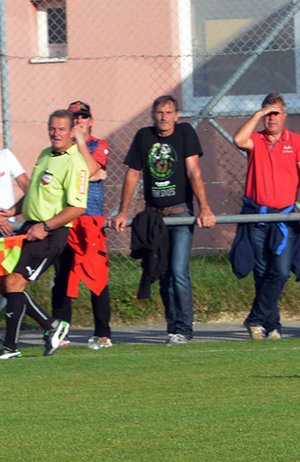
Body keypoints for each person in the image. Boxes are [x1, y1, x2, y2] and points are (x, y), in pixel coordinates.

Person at [111, 95, 216, 344]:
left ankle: (184, 328)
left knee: (179, 271)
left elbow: (194, 171)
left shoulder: (185, 133)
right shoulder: (143, 137)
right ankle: (173, 328)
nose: (164, 117)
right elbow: (132, 174)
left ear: (176, 115)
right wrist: (123, 211)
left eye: (169, 113)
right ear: (153, 116)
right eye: (159, 113)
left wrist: (205, 208)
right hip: (155, 217)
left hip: (180, 213)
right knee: (164, 271)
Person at [232, 93, 300, 341]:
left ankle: (255, 317)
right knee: (261, 273)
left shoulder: (296, 142)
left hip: (283, 218)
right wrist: (257, 114)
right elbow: (238, 139)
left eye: (276, 113)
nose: (272, 118)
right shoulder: (255, 139)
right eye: (268, 113)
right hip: (256, 218)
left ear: (285, 116)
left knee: (281, 271)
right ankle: (271, 326)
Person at [0, 110, 87, 360]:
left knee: (14, 282)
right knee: (5, 281)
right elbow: (35, 193)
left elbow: (77, 207)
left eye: (61, 129)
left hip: (51, 234)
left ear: (72, 132)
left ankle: (10, 347)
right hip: (30, 228)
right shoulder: (45, 154)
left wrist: (46, 226)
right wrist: (12, 211)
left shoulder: (75, 163)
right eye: (52, 128)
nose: (55, 133)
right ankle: (52, 327)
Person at [51, 100, 114, 349]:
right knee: (63, 275)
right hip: (66, 218)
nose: (79, 121)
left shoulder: (98, 145)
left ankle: (103, 332)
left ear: (90, 120)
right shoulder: (59, 149)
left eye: (83, 117)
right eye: (74, 117)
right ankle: (61, 330)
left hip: (89, 220)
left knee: (96, 276)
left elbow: (91, 169)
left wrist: (79, 144)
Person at [0, 142, 29, 316]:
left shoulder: (6, 156)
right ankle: (49, 324)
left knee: (9, 283)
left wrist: (11, 212)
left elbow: (30, 189)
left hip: (7, 232)